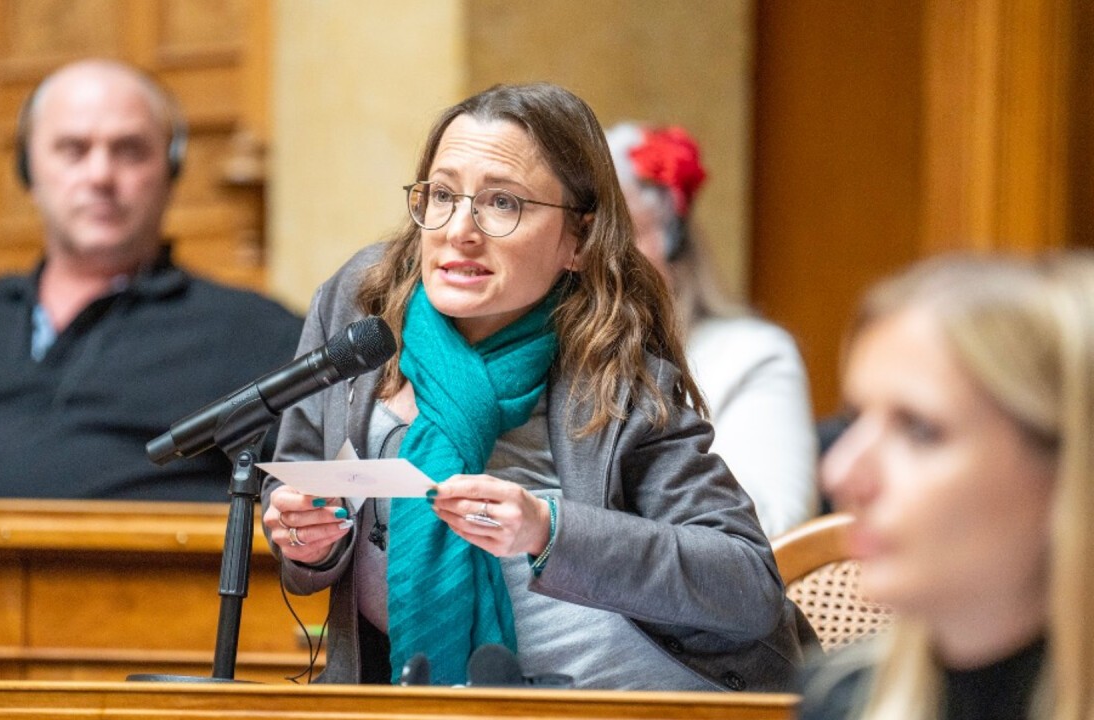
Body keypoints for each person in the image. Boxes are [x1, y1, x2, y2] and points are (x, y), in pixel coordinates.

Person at [261, 82, 814, 690]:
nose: (460, 230)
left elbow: (745, 583)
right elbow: (300, 484)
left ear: (577, 240)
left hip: (638, 699)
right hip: (415, 695)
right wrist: (306, 542)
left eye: (503, 204)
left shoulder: (614, 365)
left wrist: (549, 529)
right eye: (442, 195)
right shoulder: (359, 310)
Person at [0, 59, 302, 502]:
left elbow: (314, 496)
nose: (100, 175)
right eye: (73, 150)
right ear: (28, 171)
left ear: (171, 169)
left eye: (129, 150)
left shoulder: (255, 334)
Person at [799, 252, 1094, 719]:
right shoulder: (843, 698)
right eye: (855, 419)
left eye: (918, 430)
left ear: (1069, 469)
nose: (839, 473)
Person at [605, 122, 818, 538]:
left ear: (675, 242)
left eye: (625, 231)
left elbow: (777, 527)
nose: (603, 255)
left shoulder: (752, 355)